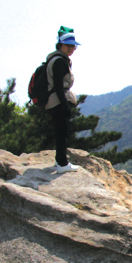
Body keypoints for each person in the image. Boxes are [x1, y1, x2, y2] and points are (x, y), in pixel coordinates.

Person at [46, 26, 81, 173]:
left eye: (73, 46)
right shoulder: (59, 61)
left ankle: (59, 160)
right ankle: (62, 164)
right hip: (58, 100)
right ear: (60, 45)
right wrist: (64, 104)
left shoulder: (55, 59)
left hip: (53, 100)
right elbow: (59, 85)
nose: (71, 48)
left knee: (61, 131)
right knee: (63, 131)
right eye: (68, 45)